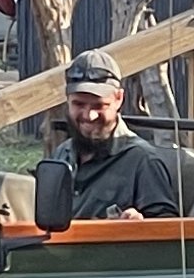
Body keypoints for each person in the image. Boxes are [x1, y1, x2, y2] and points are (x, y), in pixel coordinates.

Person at [45, 49, 182, 221]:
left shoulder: (143, 161)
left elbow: (167, 230)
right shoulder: (61, 155)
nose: (89, 115)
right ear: (67, 99)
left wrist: (139, 224)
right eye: (79, 104)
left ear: (119, 99)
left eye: (99, 105)